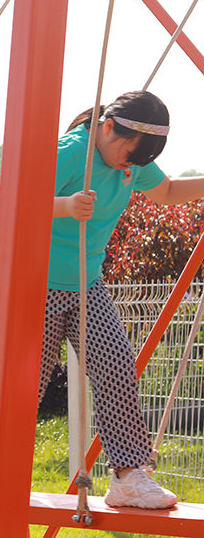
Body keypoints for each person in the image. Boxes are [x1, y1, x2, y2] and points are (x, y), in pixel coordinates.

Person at [45, 90, 204, 509]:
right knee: (29, 384)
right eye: (128, 154)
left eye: (138, 162)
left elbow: (167, 191)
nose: (128, 166)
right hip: (38, 284)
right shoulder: (71, 153)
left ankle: (129, 476)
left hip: (86, 283)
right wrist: (65, 205)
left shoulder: (132, 159)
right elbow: (11, 200)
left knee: (116, 366)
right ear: (108, 127)